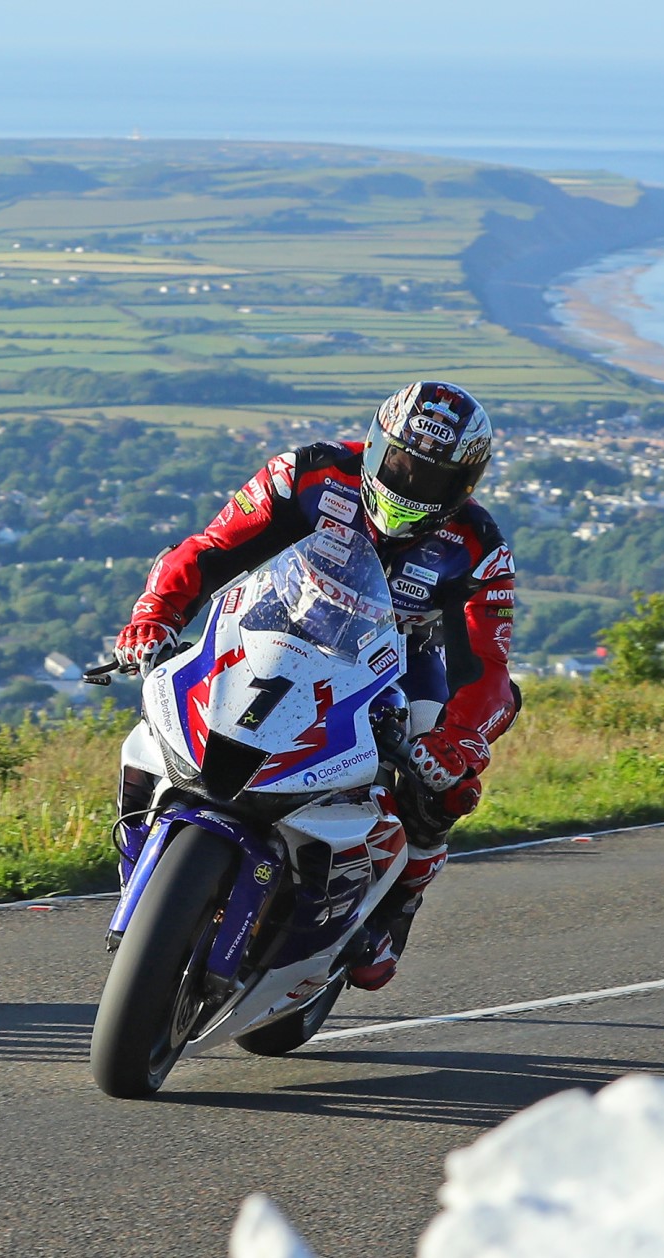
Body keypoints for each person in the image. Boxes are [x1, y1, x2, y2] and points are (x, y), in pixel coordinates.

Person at [114, 380, 519, 991]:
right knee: (167, 709)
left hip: (402, 669)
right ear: (379, 443)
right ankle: (149, 841)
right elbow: (210, 550)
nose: (409, 483)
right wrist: (155, 615)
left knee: (442, 787)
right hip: (275, 625)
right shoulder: (305, 473)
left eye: (430, 476)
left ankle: (392, 914)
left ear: (464, 485)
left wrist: (459, 740)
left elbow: (487, 668)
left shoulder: (479, 548)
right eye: (401, 462)